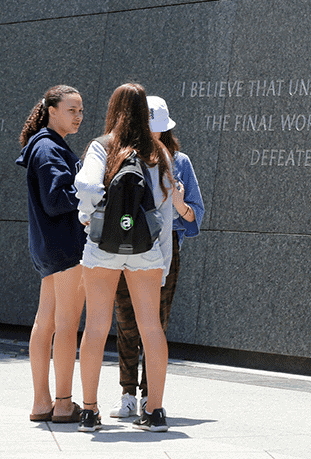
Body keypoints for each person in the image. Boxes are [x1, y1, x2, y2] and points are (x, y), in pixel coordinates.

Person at [75, 83, 174, 432]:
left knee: (97, 327)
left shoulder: (102, 147)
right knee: (152, 328)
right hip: (145, 249)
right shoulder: (158, 153)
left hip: (103, 246)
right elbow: (165, 212)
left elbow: (86, 186)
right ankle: (155, 411)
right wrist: (161, 262)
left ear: (113, 108)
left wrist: (87, 214)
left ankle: (89, 411)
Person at [109, 95, 204, 418]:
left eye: (160, 131)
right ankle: (126, 392)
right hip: (123, 244)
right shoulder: (117, 155)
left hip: (166, 247)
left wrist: (178, 204)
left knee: (156, 322)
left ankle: (152, 394)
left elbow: (195, 216)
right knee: (125, 320)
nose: (155, 136)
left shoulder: (179, 161)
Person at [16, 85, 86, 424]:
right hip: (66, 248)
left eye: (81, 110)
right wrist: (89, 187)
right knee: (65, 325)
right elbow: (57, 199)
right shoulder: (48, 148)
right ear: (51, 110)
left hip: (50, 248)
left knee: (46, 323)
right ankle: (62, 403)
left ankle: (43, 403)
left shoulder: (45, 145)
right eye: (71, 109)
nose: (78, 116)